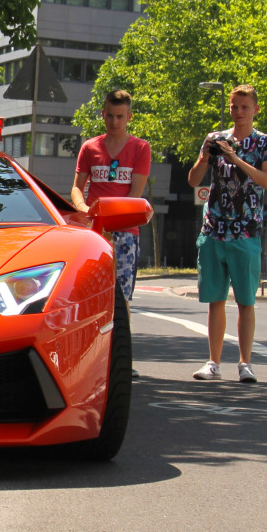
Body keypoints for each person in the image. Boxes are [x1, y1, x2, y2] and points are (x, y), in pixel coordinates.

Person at [186, 84, 267, 383]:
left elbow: (266, 181)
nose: (238, 112)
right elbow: (193, 180)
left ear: (255, 110)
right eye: (233, 106)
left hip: (246, 231)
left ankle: (245, 363)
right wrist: (205, 156)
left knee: (245, 301)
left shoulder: (266, 143)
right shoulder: (215, 138)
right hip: (215, 229)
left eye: (244, 107)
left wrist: (235, 157)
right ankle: (213, 362)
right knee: (215, 299)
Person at [72, 89, 152, 378]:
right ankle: (89, 359)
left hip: (125, 232)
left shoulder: (141, 149)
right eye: (109, 115)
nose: (114, 121)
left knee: (120, 299)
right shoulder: (90, 147)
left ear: (129, 117)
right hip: (93, 232)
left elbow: (135, 194)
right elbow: (77, 186)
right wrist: (82, 207)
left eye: (120, 116)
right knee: (88, 295)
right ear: (102, 114)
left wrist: (113, 217)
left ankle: (121, 361)